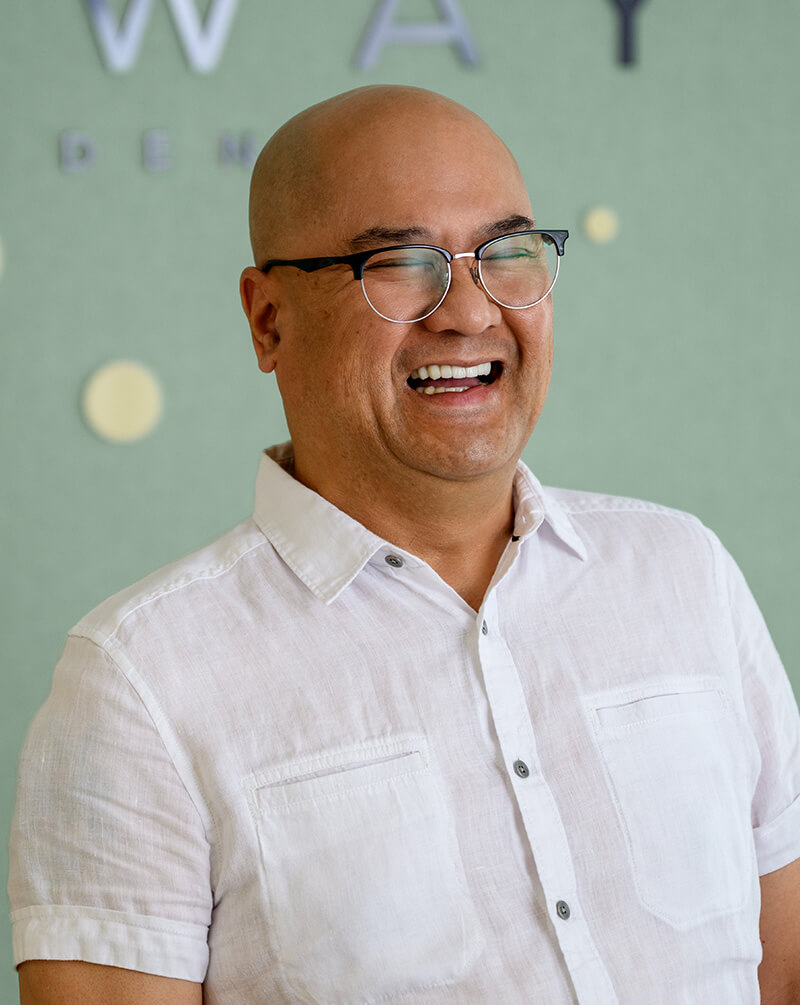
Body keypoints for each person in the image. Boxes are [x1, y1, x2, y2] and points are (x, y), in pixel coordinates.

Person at [8, 85, 800, 1004]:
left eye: (505, 254)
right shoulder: (140, 682)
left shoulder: (682, 574)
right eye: (400, 263)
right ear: (269, 320)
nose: (468, 312)